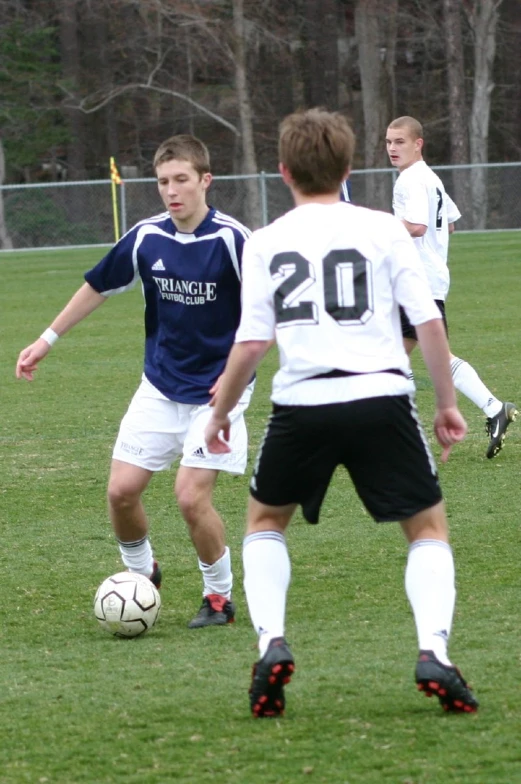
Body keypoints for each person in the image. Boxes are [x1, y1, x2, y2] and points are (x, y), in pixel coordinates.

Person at [204, 108, 479, 718]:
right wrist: (447, 402)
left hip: (302, 403)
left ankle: (270, 643)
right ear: (350, 168)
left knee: (265, 523)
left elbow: (251, 344)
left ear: (283, 172)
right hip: (381, 396)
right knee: (427, 530)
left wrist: (219, 412)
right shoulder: (384, 229)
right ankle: (433, 649)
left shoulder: (267, 240)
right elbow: (426, 320)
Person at [15, 134, 253, 628]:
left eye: (182, 180)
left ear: (205, 181)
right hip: (161, 385)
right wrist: (46, 340)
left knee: (190, 496)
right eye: (163, 181)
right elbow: (98, 285)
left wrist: (235, 375)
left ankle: (218, 598)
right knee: (121, 492)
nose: (172, 190)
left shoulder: (234, 240)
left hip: (217, 395)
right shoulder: (147, 236)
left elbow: (266, 316)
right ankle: (143, 577)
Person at [386, 115, 517, 459]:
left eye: (400, 142)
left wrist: (378, 225)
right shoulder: (430, 178)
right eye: (388, 142)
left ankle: (406, 437)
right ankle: (493, 409)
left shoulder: (411, 181)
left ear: (418, 144)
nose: (392, 148)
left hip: (416, 282)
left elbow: (416, 226)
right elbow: (452, 225)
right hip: (425, 279)